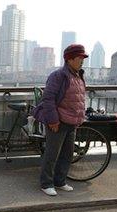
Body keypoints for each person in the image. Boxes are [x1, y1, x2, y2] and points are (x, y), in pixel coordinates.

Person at [32, 44, 88, 196]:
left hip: (72, 122)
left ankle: (60, 181)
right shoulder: (59, 76)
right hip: (59, 121)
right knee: (52, 154)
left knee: (67, 154)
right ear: (69, 59)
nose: (82, 61)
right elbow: (48, 99)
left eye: (83, 58)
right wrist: (53, 121)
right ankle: (46, 183)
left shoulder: (78, 75)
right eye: (79, 58)